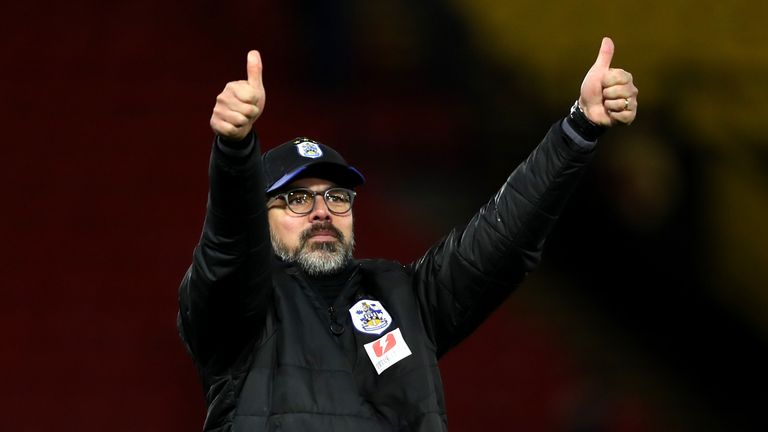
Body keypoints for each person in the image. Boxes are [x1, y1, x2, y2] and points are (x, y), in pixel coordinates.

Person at [178, 37, 638, 431]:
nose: (322, 211)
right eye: (297, 199)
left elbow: (501, 240)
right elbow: (227, 250)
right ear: (260, 219)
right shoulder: (237, 312)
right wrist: (235, 152)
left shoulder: (403, 296)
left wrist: (577, 129)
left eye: (337, 197)